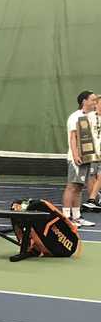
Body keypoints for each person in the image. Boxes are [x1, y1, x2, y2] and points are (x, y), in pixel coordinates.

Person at [64, 91, 97, 228]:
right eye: (93, 100)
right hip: (75, 158)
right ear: (84, 101)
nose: (95, 102)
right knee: (72, 186)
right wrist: (76, 155)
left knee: (79, 187)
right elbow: (73, 138)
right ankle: (65, 218)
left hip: (87, 157)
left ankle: (77, 217)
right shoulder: (75, 117)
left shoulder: (90, 116)